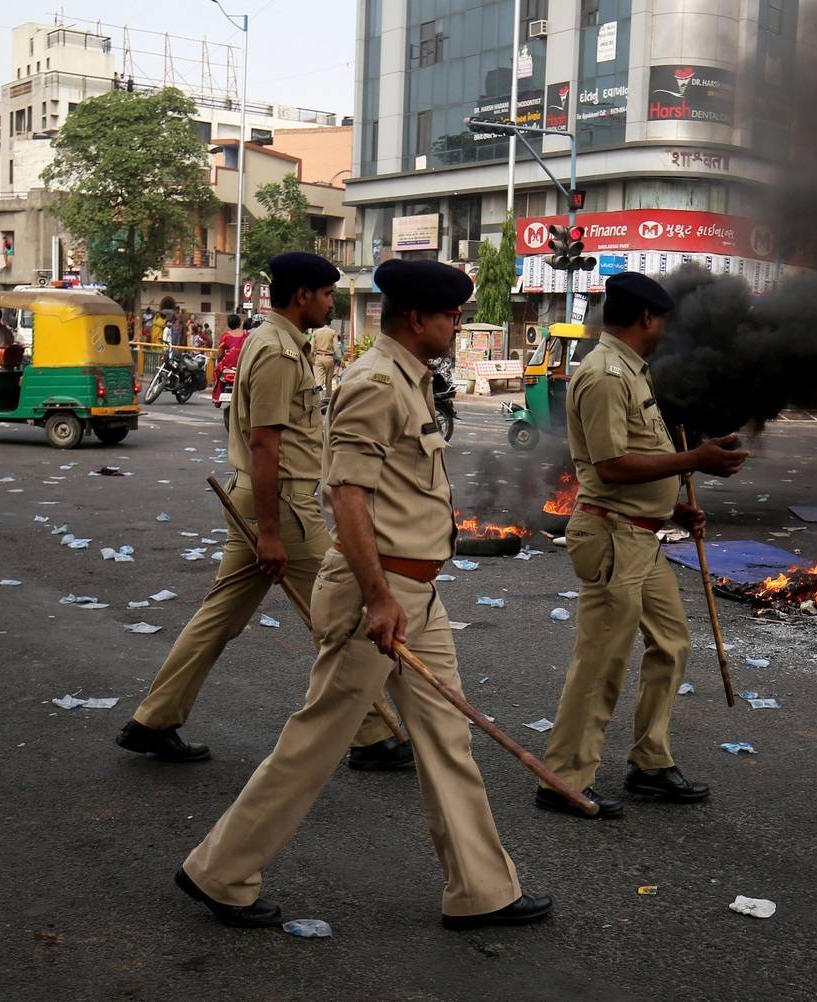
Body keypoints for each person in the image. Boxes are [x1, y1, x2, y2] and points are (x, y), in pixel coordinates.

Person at [176, 258, 552, 931]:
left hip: (415, 592)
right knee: (317, 738)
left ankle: (481, 890)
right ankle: (220, 871)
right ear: (416, 318)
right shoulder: (377, 383)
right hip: (375, 595)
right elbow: (346, 495)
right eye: (452, 315)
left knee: (445, 737)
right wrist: (379, 598)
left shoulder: (410, 381)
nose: (459, 324)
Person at [116, 253, 409, 771]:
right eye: (325, 294)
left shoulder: (272, 341)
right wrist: (271, 533)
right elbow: (265, 445)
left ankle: (153, 721)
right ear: (302, 297)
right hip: (282, 507)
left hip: (258, 500)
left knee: (218, 618)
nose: (330, 303)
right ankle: (372, 734)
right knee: (340, 613)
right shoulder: (277, 351)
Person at [536, 272, 750, 820]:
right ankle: (563, 778)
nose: (665, 329)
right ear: (648, 319)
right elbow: (610, 465)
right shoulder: (606, 374)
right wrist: (695, 461)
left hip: (640, 532)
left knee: (672, 643)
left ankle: (650, 763)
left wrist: (670, 508)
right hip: (612, 536)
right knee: (601, 663)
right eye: (663, 321)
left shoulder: (632, 370)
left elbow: (634, 460)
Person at [310, 321, 341, 395]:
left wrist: (311, 359)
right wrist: (340, 359)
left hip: (318, 357)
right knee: (328, 382)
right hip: (329, 358)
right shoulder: (333, 332)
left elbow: (311, 348)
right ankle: (327, 399)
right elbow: (336, 348)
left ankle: (318, 399)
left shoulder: (316, 332)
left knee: (318, 381)